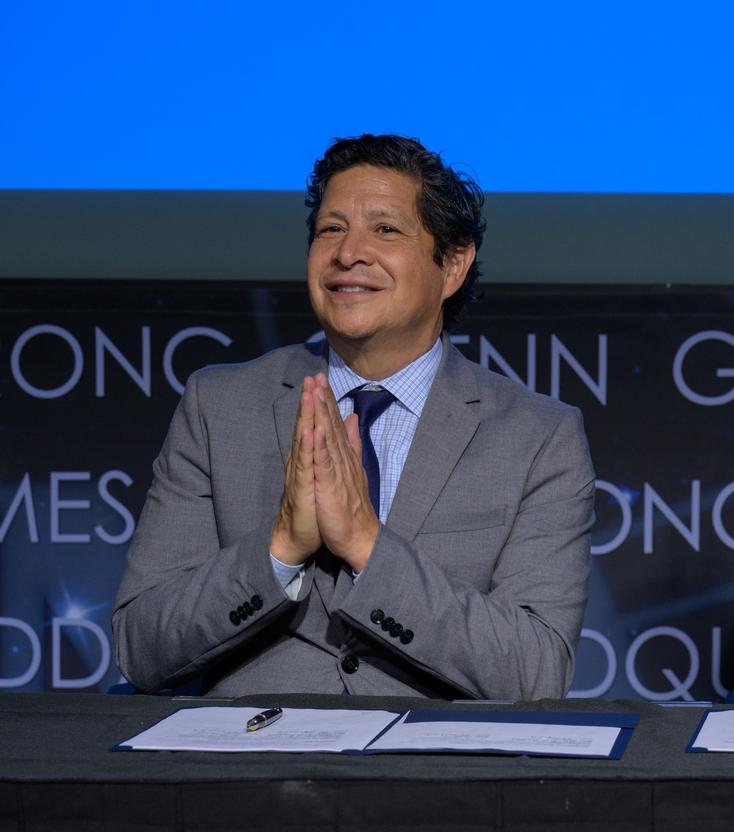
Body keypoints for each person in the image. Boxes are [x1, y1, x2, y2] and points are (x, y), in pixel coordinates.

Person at [113, 134, 596, 699]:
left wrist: (369, 547)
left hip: (433, 775)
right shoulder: (219, 406)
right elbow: (139, 646)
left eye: (385, 230)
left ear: (453, 265)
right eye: (331, 229)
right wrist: (279, 551)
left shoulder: (538, 436)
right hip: (253, 769)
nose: (348, 253)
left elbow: (534, 672)